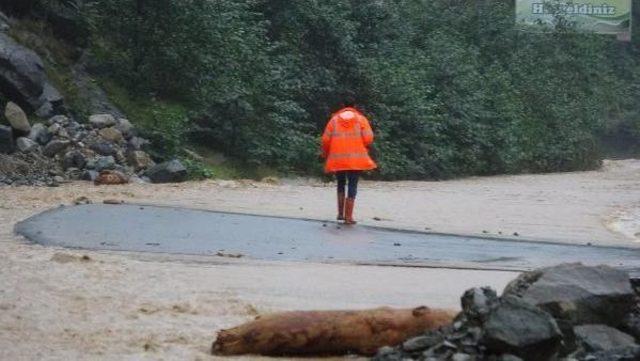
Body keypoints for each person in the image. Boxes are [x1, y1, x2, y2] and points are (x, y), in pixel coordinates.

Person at [321, 98, 377, 225]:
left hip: (338, 159)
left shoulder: (334, 120)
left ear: (342, 105)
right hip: (355, 159)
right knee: (352, 184)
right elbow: (368, 138)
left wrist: (325, 153)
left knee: (341, 183)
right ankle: (348, 217)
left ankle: (340, 213)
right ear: (355, 106)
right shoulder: (361, 119)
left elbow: (325, 139)